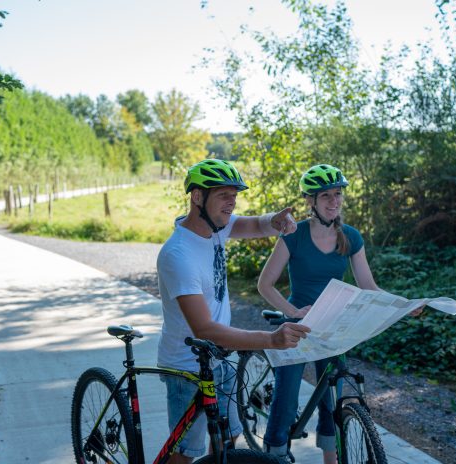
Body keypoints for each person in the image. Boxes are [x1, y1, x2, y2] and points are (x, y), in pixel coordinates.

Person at [257, 163, 423, 464]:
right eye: (326, 196)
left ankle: (331, 459)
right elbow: (264, 285)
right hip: (298, 325)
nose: (334, 201)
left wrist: (405, 304)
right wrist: (294, 311)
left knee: (329, 395)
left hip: (333, 326)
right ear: (311, 201)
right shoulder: (294, 235)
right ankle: (275, 455)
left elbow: (368, 286)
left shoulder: (350, 237)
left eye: (337, 194)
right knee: (287, 397)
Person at [157, 158, 312, 464]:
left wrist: (275, 220)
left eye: (235, 194)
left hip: (219, 359)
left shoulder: (215, 228)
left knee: (228, 439)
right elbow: (205, 329)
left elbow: (253, 224)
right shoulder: (178, 255)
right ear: (197, 197)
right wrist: (271, 340)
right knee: (186, 453)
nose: (232, 201)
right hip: (186, 367)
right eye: (223, 194)